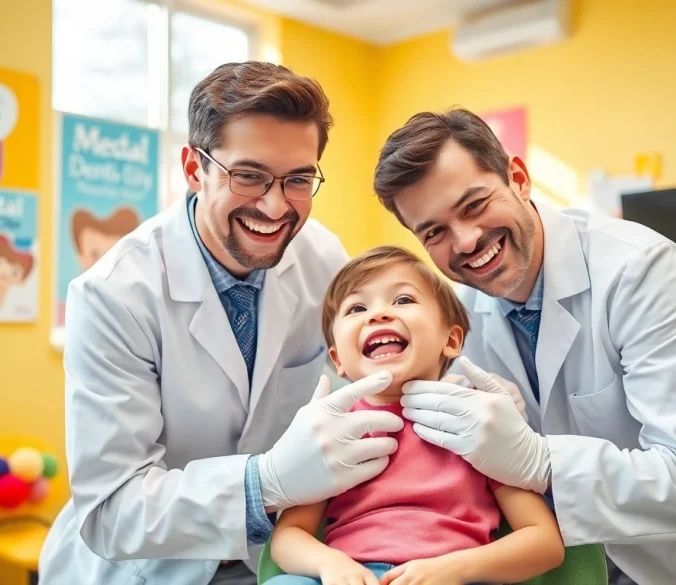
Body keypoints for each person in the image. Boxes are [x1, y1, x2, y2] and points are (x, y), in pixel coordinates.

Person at [370, 108, 676, 584]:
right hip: (580, 564)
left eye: (474, 204)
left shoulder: (644, 273)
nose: (467, 240)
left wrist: (537, 459)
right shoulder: (458, 312)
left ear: (518, 178)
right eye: (434, 232)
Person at [38, 62, 405, 585]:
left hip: (272, 562)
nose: (275, 205)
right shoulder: (113, 295)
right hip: (149, 569)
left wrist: (456, 384)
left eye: (298, 179)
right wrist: (265, 482)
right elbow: (113, 511)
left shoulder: (322, 256)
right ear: (194, 167)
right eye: (249, 175)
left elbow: (370, 368)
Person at [267, 246, 564, 585]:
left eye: (403, 300)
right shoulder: (330, 433)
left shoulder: (477, 423)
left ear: (450, 339)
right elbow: (289, 535)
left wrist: (454, 569)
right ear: (338, 360)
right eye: (357, 307)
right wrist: (331, 565)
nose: (378, 315)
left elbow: (544, 542)